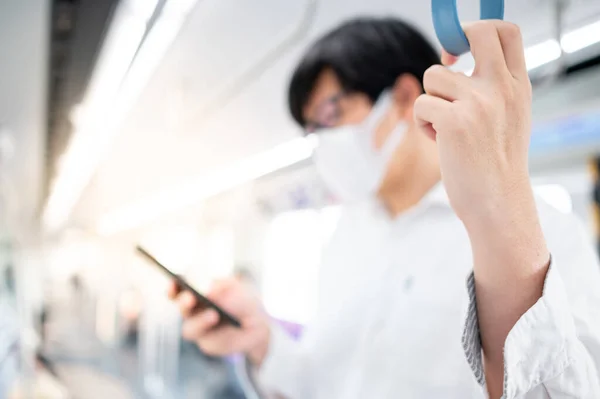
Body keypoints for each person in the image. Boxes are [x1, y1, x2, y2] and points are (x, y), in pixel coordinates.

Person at [169, 17, 600, 398]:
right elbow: (326, 381)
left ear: (402, 96)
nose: (323, 141)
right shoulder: (346, 234)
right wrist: (259, 339)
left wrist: (501, 205)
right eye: (312, 129)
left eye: (330, 114)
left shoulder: (541, 231)